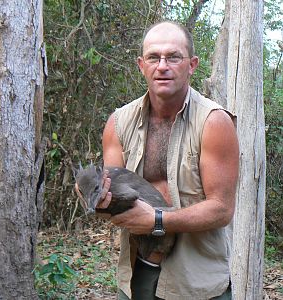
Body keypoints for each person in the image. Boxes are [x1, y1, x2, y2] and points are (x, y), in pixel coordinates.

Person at [83, 21, 239, 299]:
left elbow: (222, 210)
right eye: (154, 57)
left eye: (173, 57)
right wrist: (91, 195)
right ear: (141, 65)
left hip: (197, 283)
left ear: (192, 65)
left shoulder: (214, 123)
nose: (162, 66)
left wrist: (156, 220)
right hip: (135, 274)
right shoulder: (118, 123)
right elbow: (106, 195)